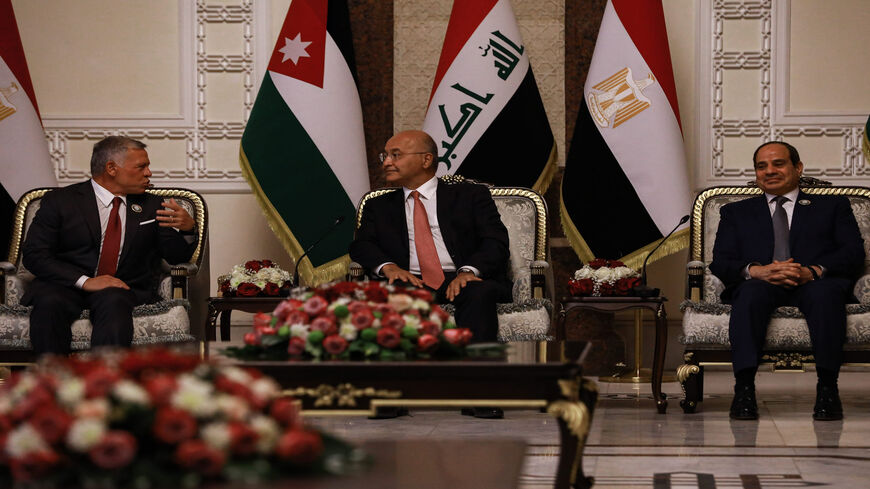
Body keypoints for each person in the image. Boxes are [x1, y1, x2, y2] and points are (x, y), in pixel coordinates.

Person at [349, 130, 513, 418]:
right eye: (385, 156)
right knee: (388, 295)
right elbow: (362, 245)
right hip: (408, 277)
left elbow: (494, 240)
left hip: (461, 276)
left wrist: (468, 270)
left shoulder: (471, 195)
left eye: (395, 155)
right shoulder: (378, 205)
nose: (386, 161)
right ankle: (390, 396)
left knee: (480, 293)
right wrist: (389, 268)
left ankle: (479, 394)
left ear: (426, 160)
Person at [710, 141, 865, 421]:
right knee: (748, 296)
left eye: (778, 163)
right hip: (760, 282)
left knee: (825, 296)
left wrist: (814, 270)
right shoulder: (736, 212)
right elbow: (720, 261)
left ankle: (828, 389)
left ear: (797, 167)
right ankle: (744, 389)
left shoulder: (832, 206)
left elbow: (853, 253)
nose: (769, 171)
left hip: (815, 281)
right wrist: (756, 270)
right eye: (761, 166)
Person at [22, 136, 197, 354]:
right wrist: (86, 282)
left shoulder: (152, 205)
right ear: (112, 168)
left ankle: (107, 380)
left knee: (115, 300)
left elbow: (175, 256)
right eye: (142, 166)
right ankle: (52, 381)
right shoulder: (60, 201)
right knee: (49, 303)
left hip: (120, 288)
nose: (149, 173)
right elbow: (34, 255)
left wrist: (188, 228)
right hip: (65, 284)